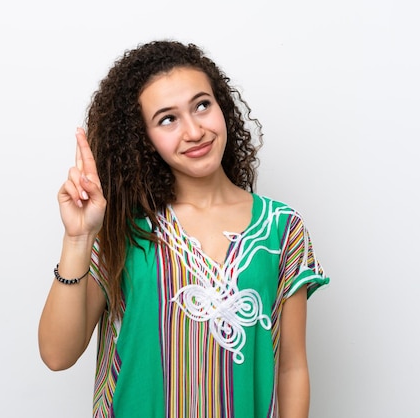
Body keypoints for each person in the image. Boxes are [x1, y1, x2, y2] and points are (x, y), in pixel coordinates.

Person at [38, 39, 329, 418]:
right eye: (167, 119)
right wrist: (77, 239)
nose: (194, 131)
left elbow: (292, 369)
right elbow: (57, 355)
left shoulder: (282, 228)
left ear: (222, 106)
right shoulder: (122, 230)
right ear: (143, 138)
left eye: (202, 105)